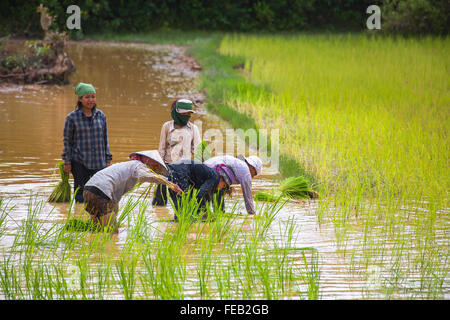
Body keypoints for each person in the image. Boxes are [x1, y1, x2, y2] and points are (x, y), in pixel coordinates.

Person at [83, 150, 183, 232]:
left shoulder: (126, 166)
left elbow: (115, 195)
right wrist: (169, 183)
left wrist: (114, 211)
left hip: (88, 190)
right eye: (156, 167)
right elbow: (146, 175)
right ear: (150, 163)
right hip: (101, 192)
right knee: (113, 233)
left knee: (96, 231)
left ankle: (94, 254)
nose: (156, 169)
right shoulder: (138, 165)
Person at [62, 82, 112, 203]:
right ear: (80, 99)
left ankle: (96, 218)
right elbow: (67, 142)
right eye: (87, 97)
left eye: (93, 96)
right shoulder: (72, 118)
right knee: (80, 192)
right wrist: (67, 162)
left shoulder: (101, 116)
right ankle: (79, 214)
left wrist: (108, 159)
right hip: (80, 161)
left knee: (99, 192)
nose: (91, 100)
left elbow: (105, 138)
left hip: (99, 161)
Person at [153, 99, 201, 206]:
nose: (187, 116)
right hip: (168, 167)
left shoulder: (193, 129)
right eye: (184, 113)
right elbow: (162, 148)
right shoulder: (167, 126)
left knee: (182, 199)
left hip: (184, 168)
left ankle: (180, 217)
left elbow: (197, 151)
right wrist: (160, 167)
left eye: (189, 114)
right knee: (160, 200)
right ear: (177, 112)